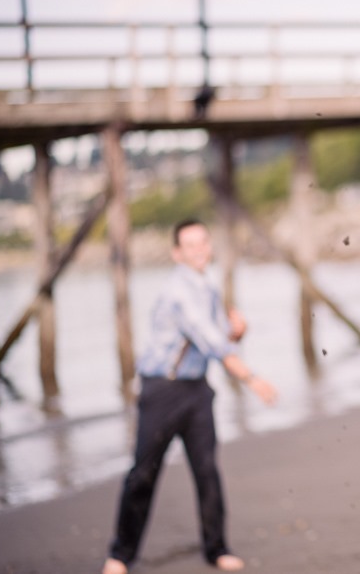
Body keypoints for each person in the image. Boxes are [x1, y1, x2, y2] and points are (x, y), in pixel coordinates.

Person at [103, 219, 277, 574]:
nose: (198, 250)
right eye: (190, 245)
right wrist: (252, 378)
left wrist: (239, 332)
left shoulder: (207, 285)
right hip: (162, 390)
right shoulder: (177, 291)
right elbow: (210, 340)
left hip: (197, 391)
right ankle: (120, 556)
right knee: (143, 474)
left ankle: (217, 549)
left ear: (209, 246)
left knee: (207, 470)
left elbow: (220, 337)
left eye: (203, 242)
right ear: (176, 253)